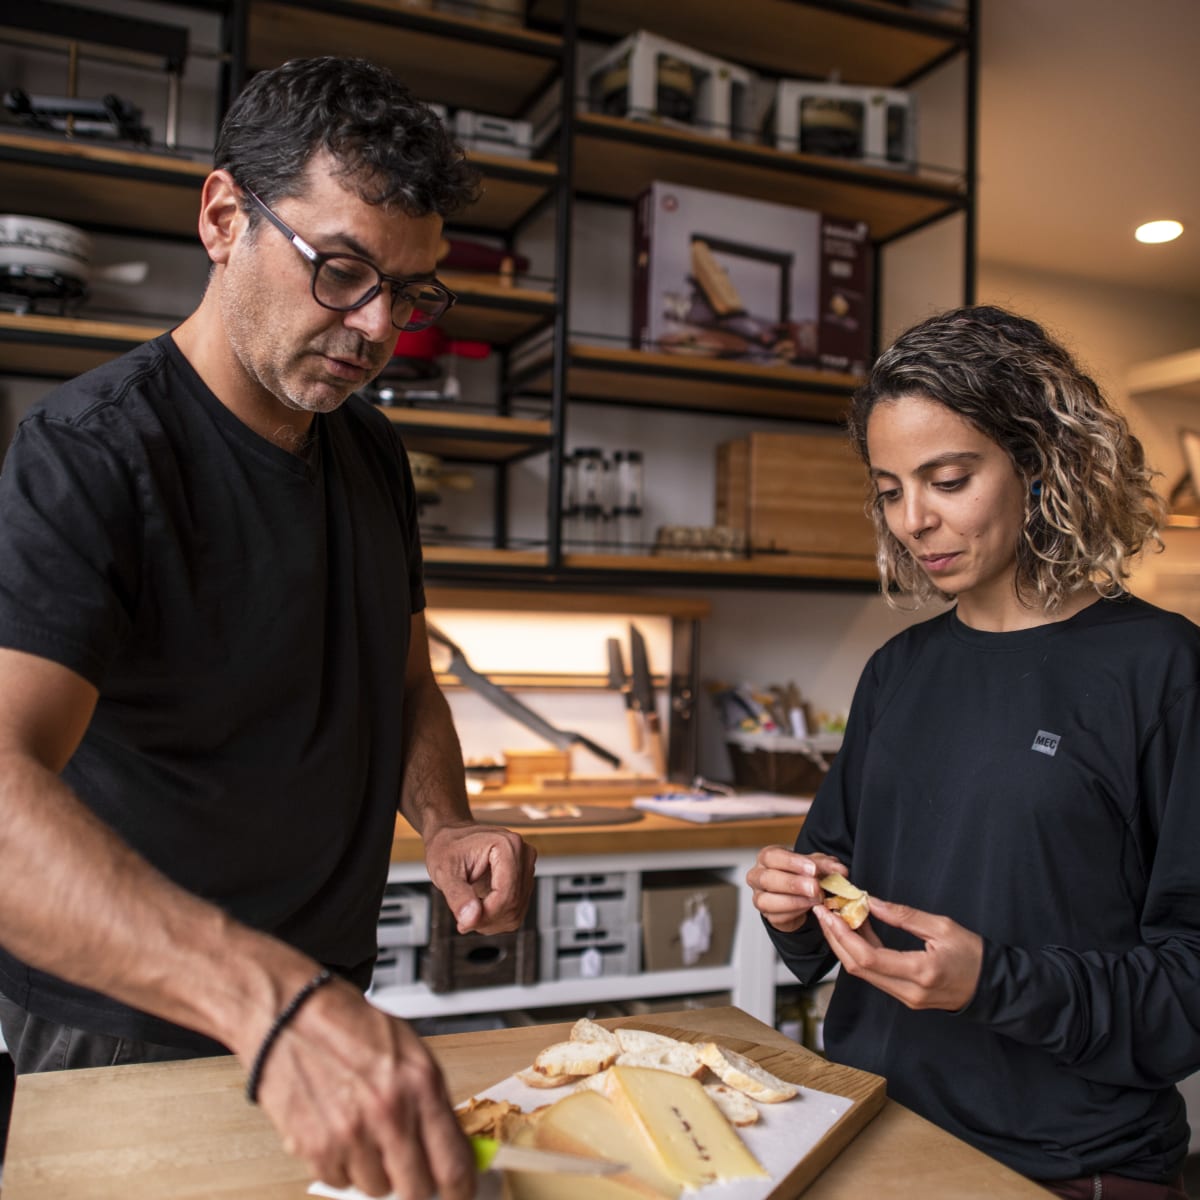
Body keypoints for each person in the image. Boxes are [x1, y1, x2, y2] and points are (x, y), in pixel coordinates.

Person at [0, 56, 536, 1200]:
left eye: (413, 291)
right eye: (341, 271)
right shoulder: (94, 454)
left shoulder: (372, 451)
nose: (378, 327)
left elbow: (402, 685)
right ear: (223, 215)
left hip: (322, 1002)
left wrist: (444, 827)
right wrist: (270, 1002)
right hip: (128, 1024)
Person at [747, 305, 1200, 1200]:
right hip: (874, 1136)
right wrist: (792, 907)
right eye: (889, 489)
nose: (913, 520)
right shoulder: (896, 672)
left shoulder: (1158, 668)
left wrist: (995, 981)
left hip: (1064, 1169)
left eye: (947, 479)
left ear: (1038, 465)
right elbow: (837, 908)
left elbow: (1191, 984)